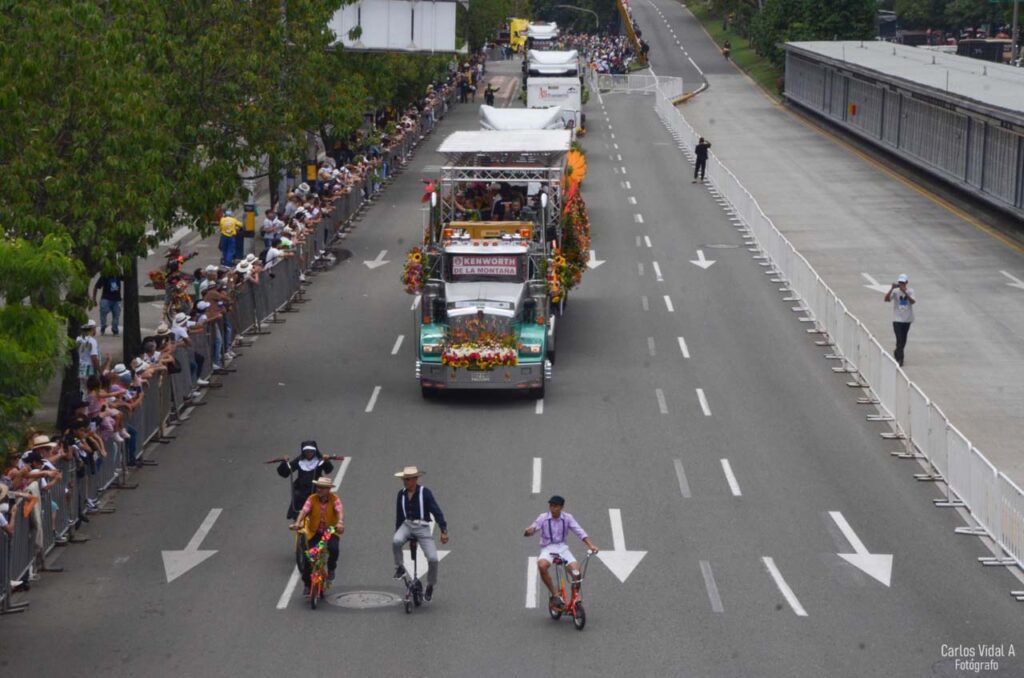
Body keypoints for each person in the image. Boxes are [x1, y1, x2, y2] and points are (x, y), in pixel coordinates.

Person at [523, 495, 598, 611]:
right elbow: (532, 529)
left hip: (562, 548)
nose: (552, 509)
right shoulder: (543, 517)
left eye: (555, 506)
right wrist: (528, 531)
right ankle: (555, 595)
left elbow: (579, 531)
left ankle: (575, 597)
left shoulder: (568, 518)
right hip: (548, 548)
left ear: (561, 507)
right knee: (542, 565)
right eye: (551, 506)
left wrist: (591, 545)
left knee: (577, 573)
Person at [391, 466, 448, 602]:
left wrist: (443, 530)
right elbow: (399, 515)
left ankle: (430, 585)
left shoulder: (425, 493)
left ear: (415, 479)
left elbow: (436, 511)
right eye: (404, 479)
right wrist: (398, 531)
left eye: (408, 479)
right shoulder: (401, 494)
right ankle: (400, 567)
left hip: (422, 527)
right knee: (396, 541)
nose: (405, 482)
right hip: (407, 524)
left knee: (433, 558)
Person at [290, 476, 344, 595]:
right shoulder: (312, 498)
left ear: (329, 489)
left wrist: (340, 522)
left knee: (334, 549)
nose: (319, 489)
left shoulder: (334, 499)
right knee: (307, 558)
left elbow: (339, 511)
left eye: (323, 488)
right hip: (314, 533)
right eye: (318, 487)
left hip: (330, 531)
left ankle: (331, 569)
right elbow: (304, 511)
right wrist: (298, 522)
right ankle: (308, 585)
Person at [275, 441, 336, 520]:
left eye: (311, 451)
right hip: (301, 490)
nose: (309, 453)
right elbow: (285, 473)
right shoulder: (299, 461)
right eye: (307, 451)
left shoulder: (320, 460)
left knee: (320, 508)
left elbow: (328, 470)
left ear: (315, 451)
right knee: (298, 502)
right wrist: (284, 462)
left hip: (316, 489)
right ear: (303, 451)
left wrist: (326, 461)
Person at [884, 273, 916, 366]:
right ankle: (900, 358)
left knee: (904, 338)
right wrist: (891, 289)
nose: (901, 284)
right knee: (899, 338)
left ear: (906, 282)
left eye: (903, 282)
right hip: (897, 319)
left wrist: (905, 292)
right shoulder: (895, 291)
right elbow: (886, 299)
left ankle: (897, 351)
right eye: (900, 282)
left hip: (907, 319)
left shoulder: (911, 291)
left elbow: (913, 302)